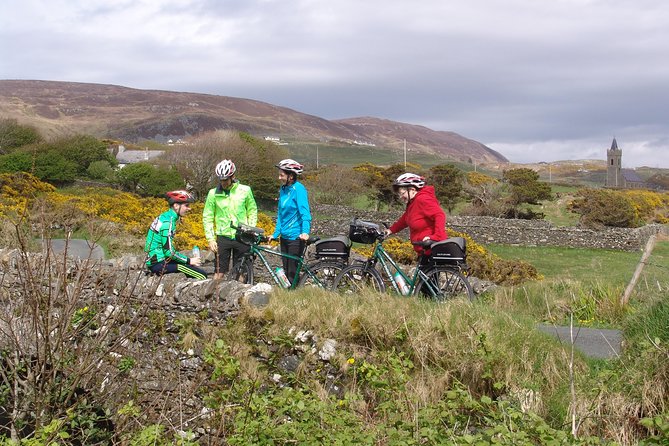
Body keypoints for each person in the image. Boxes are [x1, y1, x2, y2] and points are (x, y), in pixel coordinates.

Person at [203, 159, 258, 279]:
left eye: (225, 180)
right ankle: (215, 297)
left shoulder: (245, 190)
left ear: (232, 176)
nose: (223, 183)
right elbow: (207, 216)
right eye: (221, 180)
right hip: (223, 236)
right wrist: (211, 239)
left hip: (242, 235)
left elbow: (252, 210)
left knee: (241, 273)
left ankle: (240, 297)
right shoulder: (213, 194)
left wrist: (251, 229)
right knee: (219, 272)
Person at [384, 173, 447, 264]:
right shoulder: (413, 203)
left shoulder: (422, 199)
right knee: (425, 277)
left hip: (431, 249)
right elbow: (405, 219)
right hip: (424, 250)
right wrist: (390, 230)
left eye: (402, 193)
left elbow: (440, 215)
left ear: (412, 190)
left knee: (428, 277)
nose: (401, 197)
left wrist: (436, 236)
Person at [145, 190, 208, 279]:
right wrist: (189, 260)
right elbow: (169, 252)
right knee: (202, 275)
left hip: (158, 261)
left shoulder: (166, 216)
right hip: (158, 264)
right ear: (176, 206)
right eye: (186, 205)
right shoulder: (168, 222)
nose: (189, 208)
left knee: (192, 269)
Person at [267, 159, 312, 283]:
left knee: (292, 274)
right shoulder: (283, 189)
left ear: (291, 176)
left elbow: (305, 212)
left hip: (296, 238)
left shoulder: (299, 189)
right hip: (284, 237)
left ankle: (296, 298)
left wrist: (305, 232)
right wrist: (275, 234)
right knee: (286, 273)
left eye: (282, 175)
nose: (279, 177)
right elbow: (281, 215)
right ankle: (288, 297)